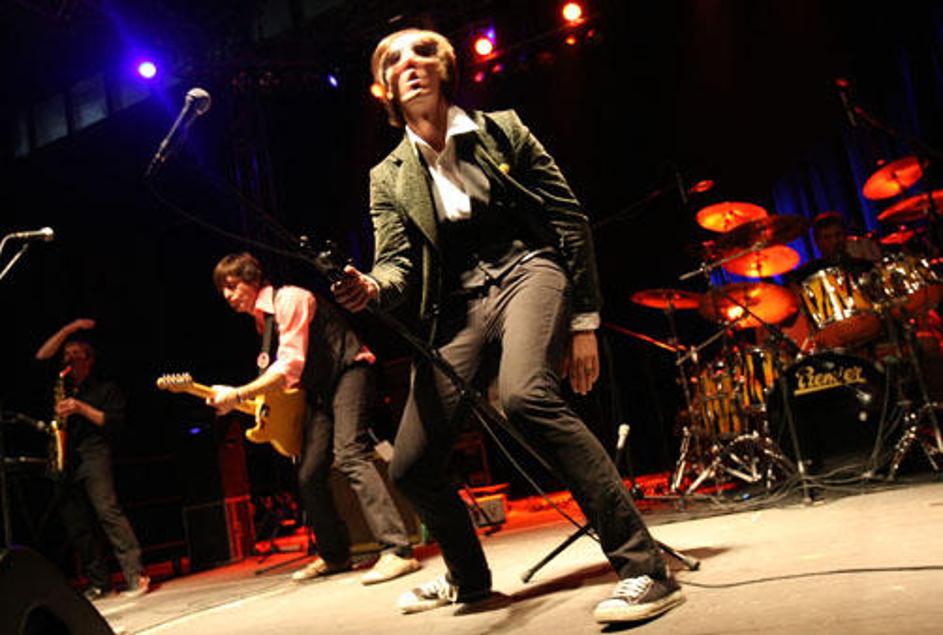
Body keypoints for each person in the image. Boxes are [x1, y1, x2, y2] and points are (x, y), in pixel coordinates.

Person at [331, 28, 683, 624]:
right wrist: (370, 287)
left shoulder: (502, 130)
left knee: (525, 397)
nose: (411, 63)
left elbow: (567, 219)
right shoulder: (387, 175)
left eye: (423, 52)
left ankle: (644, 568)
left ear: (445, 69)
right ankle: (469, 580)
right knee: (412, 464)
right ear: (384, 87)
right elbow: (396, 264)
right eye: (394, 59)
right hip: (457, 305)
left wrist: (584, 320)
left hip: (527, 269)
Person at [209, 252, 420, 584]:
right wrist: (247, 403)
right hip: (321, 390)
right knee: (309, 473)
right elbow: (288, 383)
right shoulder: (262, 322)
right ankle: (335, 555)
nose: (227, 295)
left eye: (232, 286)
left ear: (252, 280)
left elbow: (289, 366)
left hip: (350, 370)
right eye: (222, 289)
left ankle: (398, 551)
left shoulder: (289, 299)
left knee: (350, 454)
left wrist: (238, 394)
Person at [35, 319, 149, 600]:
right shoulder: (61, 386)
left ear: (89, 360)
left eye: (76, 355)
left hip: (94, 452)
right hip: (65, 455)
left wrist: (81, 408)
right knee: (77, 525)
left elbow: (114, 423)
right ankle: (100, 583)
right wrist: (69, 329)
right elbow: (41, 356)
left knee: (107, 512)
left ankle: (136, 575)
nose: (69, 360)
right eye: (66, 355)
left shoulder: (105, 389)